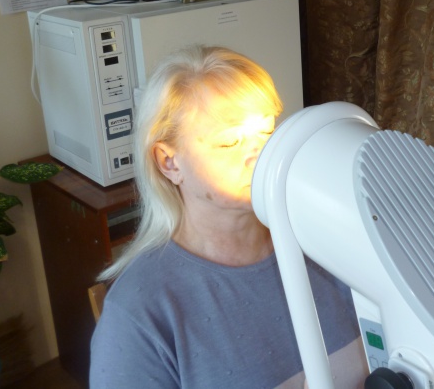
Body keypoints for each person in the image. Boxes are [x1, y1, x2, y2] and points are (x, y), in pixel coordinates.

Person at [89, 45, 367, 388]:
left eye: (267, 132)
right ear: (169, 163)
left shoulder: (326, 240)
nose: (259, 155)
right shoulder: (138, 314)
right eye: (230, 142)